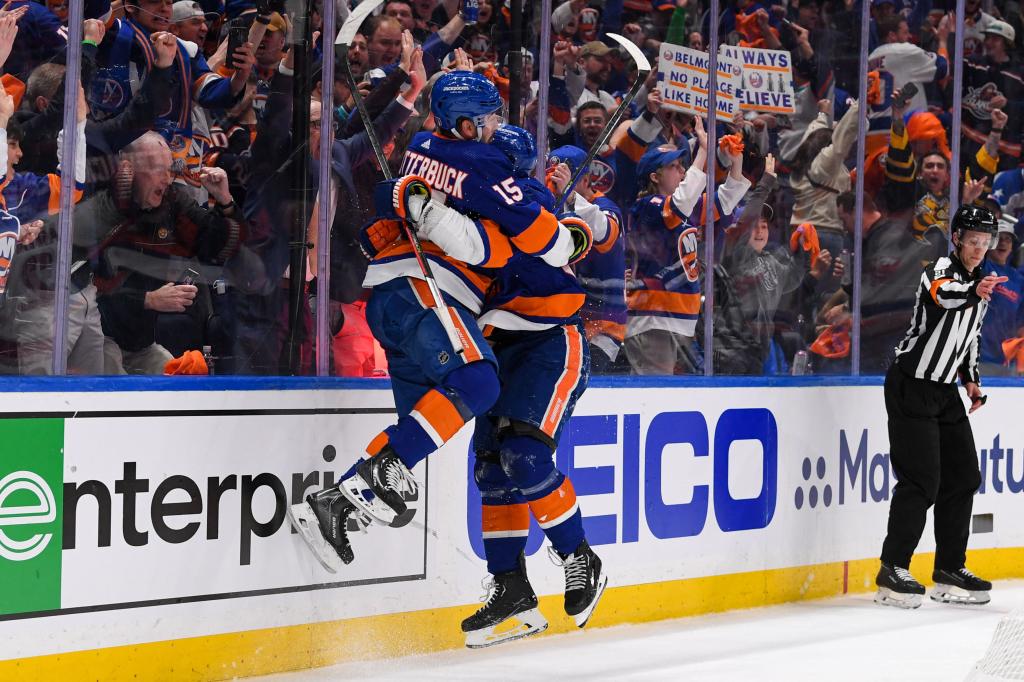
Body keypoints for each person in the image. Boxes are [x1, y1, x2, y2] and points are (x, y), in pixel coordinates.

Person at [288, 72, 581, 571]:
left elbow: (405, 206)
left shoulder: (426, 145)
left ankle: (335, 504)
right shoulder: (490, 171)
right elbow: (496, 246)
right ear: (468, 126)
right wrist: (561, 239)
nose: (492, 128)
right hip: (425, 290)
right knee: (479, 381)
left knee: (416, 430)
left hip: (390, 301)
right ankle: (361, 484)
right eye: (487, 119)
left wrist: (413, 202)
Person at [462, 127, 606, 648]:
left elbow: (598, 235)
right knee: (491, 470)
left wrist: (581, 220)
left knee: (524, 457)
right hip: (497, 350)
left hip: (550, 343)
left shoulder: (532, 200)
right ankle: (512, 591)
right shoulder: (475, 209)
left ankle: (579, 557)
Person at [875, 205, 1006, 609]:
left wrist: (972, 382)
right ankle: (892, 570)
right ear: (957, 239)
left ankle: (949, 567)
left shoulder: (980, 284)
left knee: (964, 475)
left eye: (986, 243)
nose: (979, 249)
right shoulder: (940, 271)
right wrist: (974, 291)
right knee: (920, 482)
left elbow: (969, 339)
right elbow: (944, 297)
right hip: (911, 384)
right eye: (973, 241)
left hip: (945, 390)